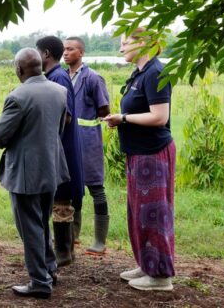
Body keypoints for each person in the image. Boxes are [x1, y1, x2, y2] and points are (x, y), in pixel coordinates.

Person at [0, 48, 70, 300]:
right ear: (41, 65)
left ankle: (39, 281)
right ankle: (49, 268)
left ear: (19, 70)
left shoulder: (18, 96)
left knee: (30, 228)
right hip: (51, 168)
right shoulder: (60, 91)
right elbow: (58, 128)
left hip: (26, 174)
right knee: (42, 222)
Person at [101, 28, 175, 291]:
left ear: (144, 44)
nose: (121, 48)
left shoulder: (156, 72)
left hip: (152, 152)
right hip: (138, 152)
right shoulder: (141, 73)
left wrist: (123, 118)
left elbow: (159, 117)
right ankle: (147, 264)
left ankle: (160, 276)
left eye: (125, 43)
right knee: (139, 212)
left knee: (154, 214)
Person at [35, 35, 83, 267]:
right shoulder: (54, 76)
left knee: (62, 200)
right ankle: (64, 250)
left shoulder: (59, 78)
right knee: (58, 199)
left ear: (45, 54)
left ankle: (63, 252)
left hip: (62, 148)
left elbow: (66, 115)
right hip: (58, 148)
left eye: (36, 53)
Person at [63, 37, 112, 255]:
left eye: (70, 49)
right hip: (69, 140)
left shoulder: (93, 78)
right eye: (64, 49)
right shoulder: (62, 77)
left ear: (81, 53)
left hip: (89, 140)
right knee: (74, 189)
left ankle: (100, 241)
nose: (66, 53)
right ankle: (73, 236)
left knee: (96, 188)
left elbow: (104, 109)